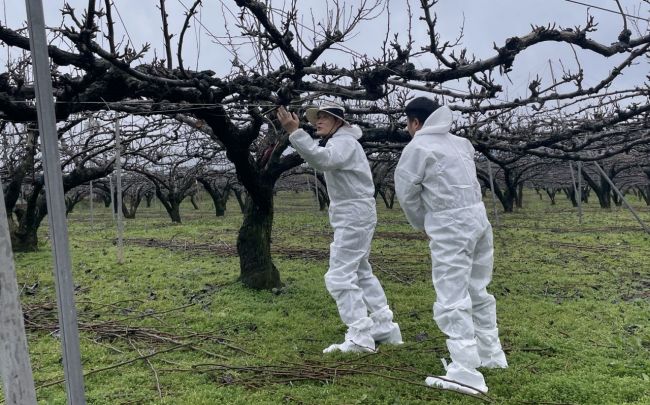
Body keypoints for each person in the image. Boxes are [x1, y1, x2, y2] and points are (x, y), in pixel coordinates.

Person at [394, 97, 507, 394]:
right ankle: (492, 354)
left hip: (449, 225)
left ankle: (466, 371)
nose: (408, 130)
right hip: (479, 221)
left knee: (452, 295)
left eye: (408, 124)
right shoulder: (461, 143)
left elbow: (406, 194)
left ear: (415, 122)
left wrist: (423, 224)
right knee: (478, 290)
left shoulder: (417, 147)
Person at [276, 102, 402, 354]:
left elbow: (323, 160)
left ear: (339, 122)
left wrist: (295, 133)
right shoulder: (341, 141)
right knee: (360, 271)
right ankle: (384, 326)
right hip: (354, 212)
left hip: (353, 214)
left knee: (339, 275)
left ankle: (360, 336)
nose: (317, 121)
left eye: (324, 117)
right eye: (316, 118)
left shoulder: (343, 142)